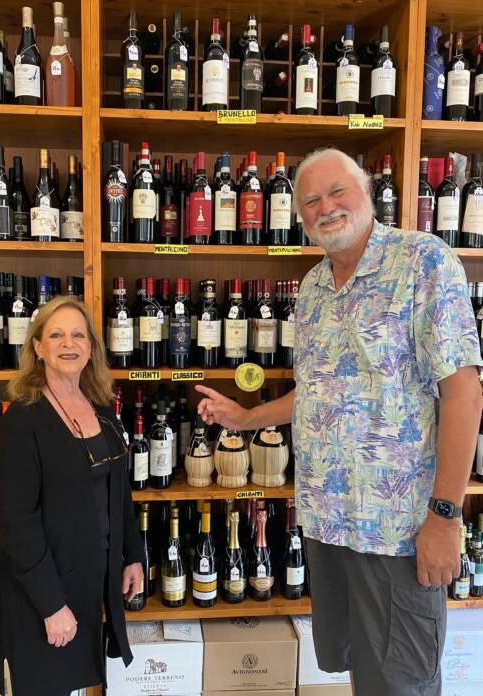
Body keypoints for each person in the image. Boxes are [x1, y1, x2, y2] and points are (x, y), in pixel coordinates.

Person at [196, 147, 483, 696]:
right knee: (360, 673)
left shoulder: (423, 260)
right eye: (310, 201)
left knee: (403, 682)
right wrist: (247, 416)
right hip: (328, 523)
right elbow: (319, 393)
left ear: (368, 192)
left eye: (336, 192)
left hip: (396, 530)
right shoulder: (312, 288)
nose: (325, 207)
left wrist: (446, 515)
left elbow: (464, 394)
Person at [0, 296, 144, 696]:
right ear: (38, 348)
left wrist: (132, 555)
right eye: (55, 334)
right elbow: (18, 526)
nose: (68, 343)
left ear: (90, 347)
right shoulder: (22, 423)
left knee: (77, 680)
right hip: (42, 593)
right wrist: (52, 606)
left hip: (88, 583)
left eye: (78, 334)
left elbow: (119, 494)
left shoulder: (102, 412)